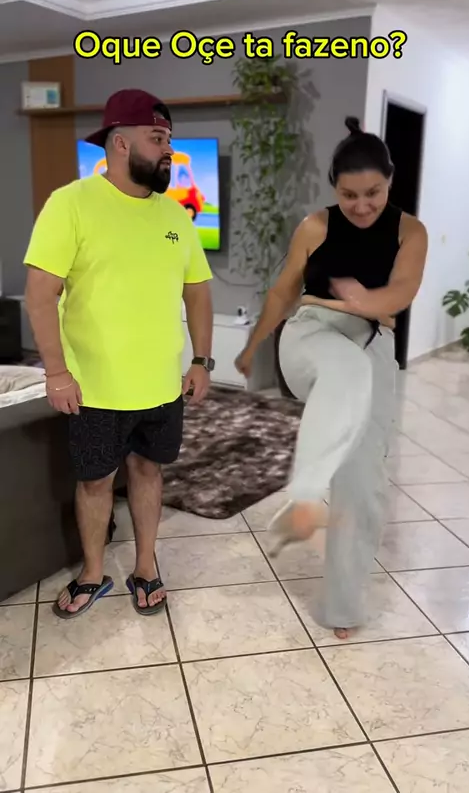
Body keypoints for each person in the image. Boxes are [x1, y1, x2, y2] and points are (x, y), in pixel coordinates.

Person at [24, 88, 215, 619]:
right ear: (121, 143)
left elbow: (198, 291)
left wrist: (201, 360)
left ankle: (146, 566)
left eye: (170, 139)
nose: (169, 150)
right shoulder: (71, 204)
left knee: (150, 472)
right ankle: (92, 573)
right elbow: (40, 294)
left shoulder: (176, 216)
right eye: (158, 138)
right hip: (94, 388)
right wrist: (56, 373)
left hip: (162, 386)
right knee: (95, 481)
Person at [235, 116, 428, 639]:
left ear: (390, 183)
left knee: (363, 479)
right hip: (311, 336)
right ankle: (305, 496)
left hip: (371, 341)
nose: (362, 206)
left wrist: (367, 302)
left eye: (373, 193)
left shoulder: (409, 231)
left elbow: (401, 293)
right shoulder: (315, 226)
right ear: (334, 189)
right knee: (345, 369)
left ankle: (342, 605)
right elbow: (283, 292)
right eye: (349, 195)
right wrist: (253, 345)